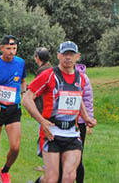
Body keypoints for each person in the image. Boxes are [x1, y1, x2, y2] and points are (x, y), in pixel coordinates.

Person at [22, 41, 97, 183]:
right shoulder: (49, 75)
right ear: (58, 56)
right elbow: (27, 98)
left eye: (71, 54)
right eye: (64, 54)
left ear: (77, 57)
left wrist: (86, 117)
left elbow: (77, 97)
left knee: (69, 177)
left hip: (72, 132)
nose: (68, 57)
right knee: (51, 179)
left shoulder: (80, 78)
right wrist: (42, 121)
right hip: (52, 132)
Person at [0, 35, 26, 183]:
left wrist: (24, 93)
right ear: (1, 48)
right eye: (8, 48)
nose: (11, 52)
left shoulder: (21, 63)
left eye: (14, 49)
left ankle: (5, 170)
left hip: (13, 109)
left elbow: (22, 81)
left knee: (15, 147)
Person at [32, 47, 52, 173]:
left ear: (37, 58)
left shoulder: (42, 71)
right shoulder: (52, 69)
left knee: (45, 137)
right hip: (50, 108)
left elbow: (38, 89)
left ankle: (47, 166)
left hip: (44, 110)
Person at [73, 63, 93, 183]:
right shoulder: (57, 75)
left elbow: (88, 100)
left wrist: (88, 120)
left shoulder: (83, 78)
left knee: (77, 157)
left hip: (79, 123)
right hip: (61, 122)